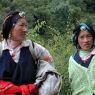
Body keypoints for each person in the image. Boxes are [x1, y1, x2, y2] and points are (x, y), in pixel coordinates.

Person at [0, 10, 61, 95]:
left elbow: (50, 71)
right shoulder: (1, 49)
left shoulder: (33, 48)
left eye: (26, 26)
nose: (25, 29)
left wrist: (37, 87)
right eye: (21, 25)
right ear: (10, 27)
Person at [68, 22, 95, 95]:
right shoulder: (72, 60)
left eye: (89, 36)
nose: (86, 40)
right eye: (82, 37)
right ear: (77, 39)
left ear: (93, 37)